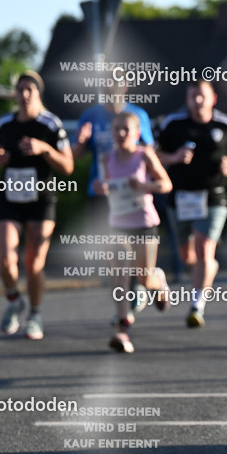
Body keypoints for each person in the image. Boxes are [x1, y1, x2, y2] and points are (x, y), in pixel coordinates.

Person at [156, 81, 227, 329]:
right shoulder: (173, 124)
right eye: (193, 96)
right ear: (187, 98)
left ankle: (197, 305)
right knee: (188, 256)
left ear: (213, 98)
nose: (197, 101)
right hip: (181, 197)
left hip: (213, 196)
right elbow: (155, 153)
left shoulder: (225, 124)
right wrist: (174, 158)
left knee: (205, 248)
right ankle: (196, 273)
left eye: (202, 96)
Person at [0, 71, 74, 340]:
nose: (24, 94)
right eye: (20, 90)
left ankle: (35, 315)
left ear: (38, 93)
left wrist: (44, 149)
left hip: (41, 199)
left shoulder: (51, 125)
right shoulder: (4, 123)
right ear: (15, 94)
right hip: (11, 197)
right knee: (6, 259)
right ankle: (14, 300)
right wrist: (0, 157)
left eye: (30, 89)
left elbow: (68, 166)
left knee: (34, 263)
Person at [92, 111, 173, 353]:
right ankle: (123, 330)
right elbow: (105, 186)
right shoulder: (106, 159)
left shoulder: (144, 155)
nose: (121, 134)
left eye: (126, 129)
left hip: (144, 223)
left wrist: (144, 186)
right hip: (117, 224)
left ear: (137, 133)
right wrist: (100, 187)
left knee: (144, 278)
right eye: (117, 129)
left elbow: (166, 184)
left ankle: (158, 281)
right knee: (119, 274)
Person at [74, 77, 156, 312]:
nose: (110, 88)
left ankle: (140, 283)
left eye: (115, 84)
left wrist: (146, 183)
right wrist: (80, 142)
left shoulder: (137, 115)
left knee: (136, 262)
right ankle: (122, 312)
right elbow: (75, 156)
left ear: (125, 87)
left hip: (132, 195)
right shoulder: (90, 116)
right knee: (112, 255)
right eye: (106, 84)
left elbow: (149, 151)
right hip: (101, 193)